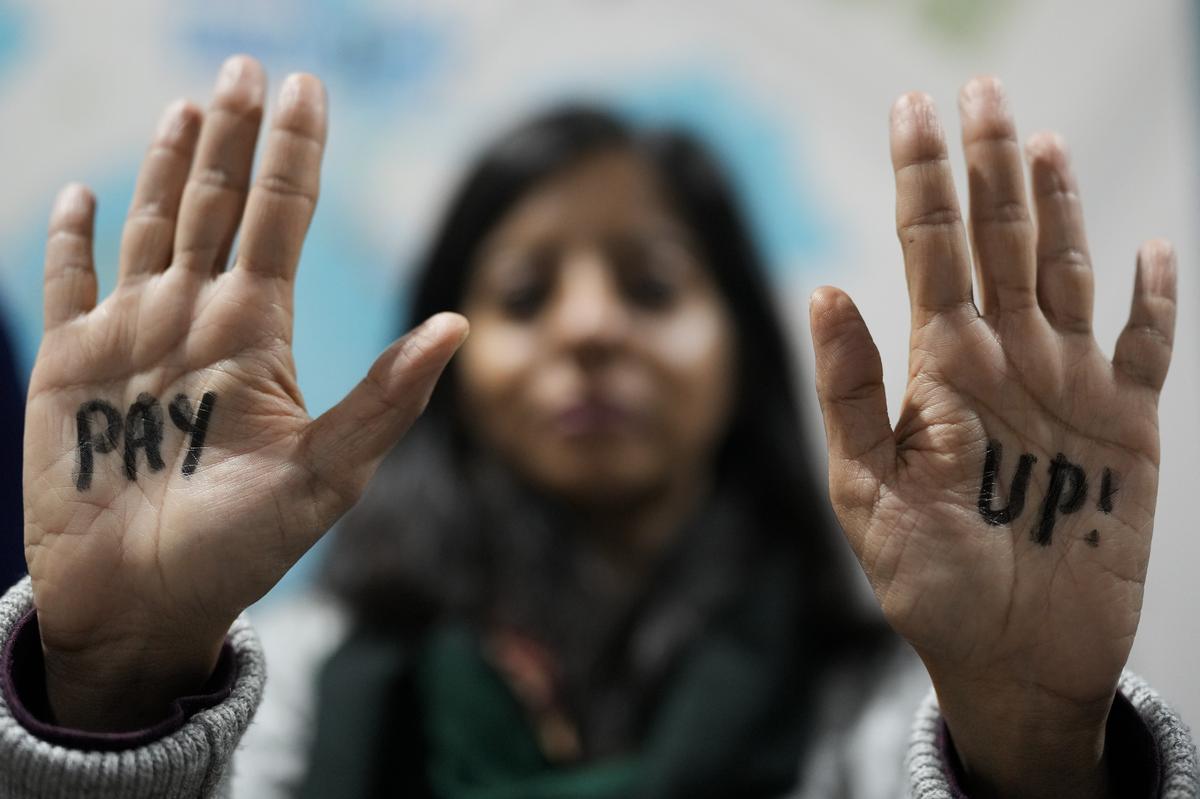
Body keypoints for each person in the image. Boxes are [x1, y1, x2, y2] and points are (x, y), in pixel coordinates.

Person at [0, 54, 1194, 798]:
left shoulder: (895, 714)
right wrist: (113, 688)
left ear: (739, 349)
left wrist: (1039, 749)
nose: (589, 330)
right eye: (521, 296)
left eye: (653, 286)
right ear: (447, 367)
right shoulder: (299, 693)